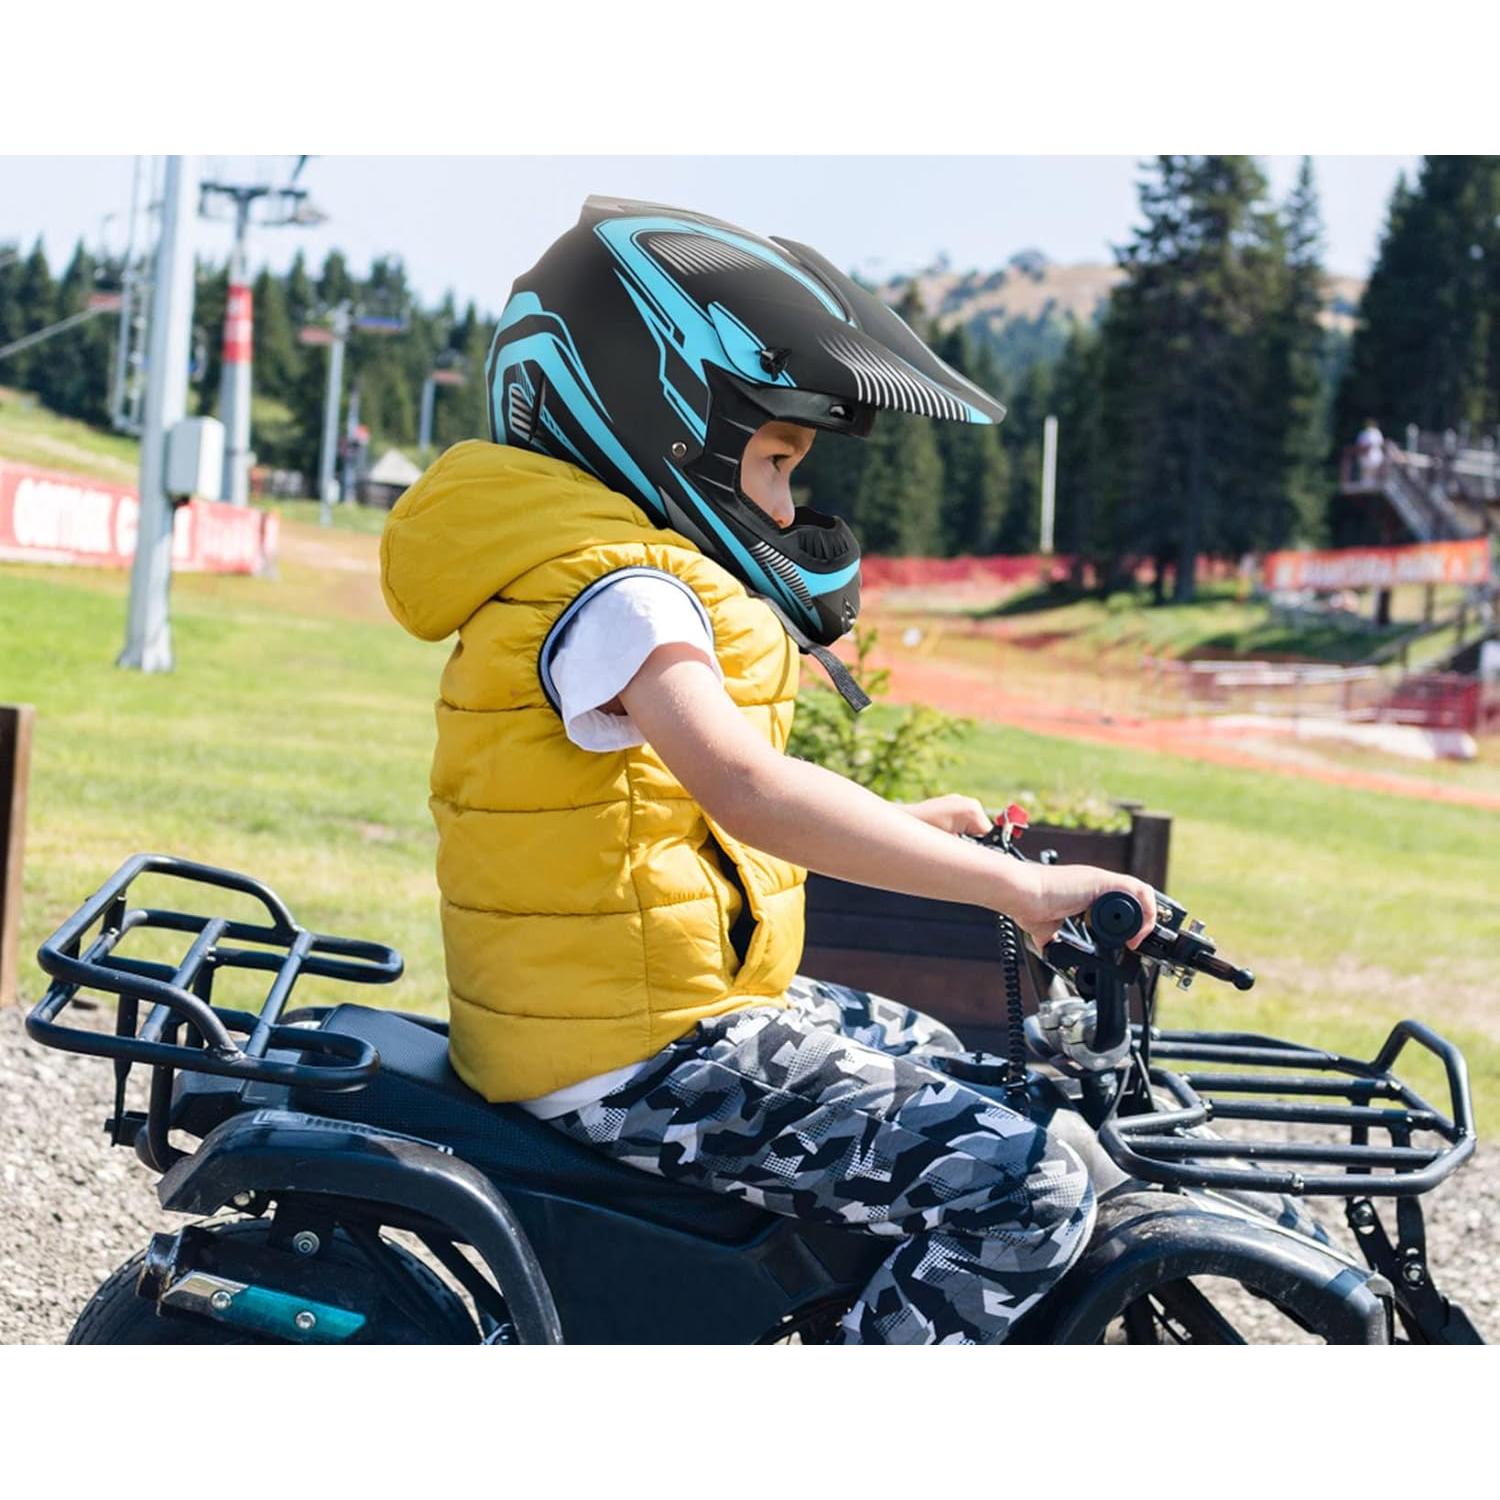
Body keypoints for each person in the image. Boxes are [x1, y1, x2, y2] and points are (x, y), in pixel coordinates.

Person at [380, 196, 1157, 1344]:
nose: (791, 503)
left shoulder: (589, 568)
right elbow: (746, 789)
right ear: (655, 423)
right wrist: (1024, 892)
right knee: (1026, 1192)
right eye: (778, 458)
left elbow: (672, 813)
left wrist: (903, 824)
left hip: (641, 1009)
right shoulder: (628, 597)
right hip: (632, 1053)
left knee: (947, 1060)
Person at [1357, 417, 1385, 485]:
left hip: (1375, 456)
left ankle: (1372, 484)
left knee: (1374, 472)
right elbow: (1360, 445)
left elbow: (1380, 444)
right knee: (1366, 472)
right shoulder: (1363, 433)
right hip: (1365, 456)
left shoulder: (1376, 433)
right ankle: (1366, 485)